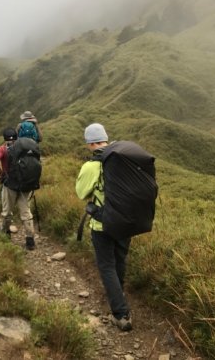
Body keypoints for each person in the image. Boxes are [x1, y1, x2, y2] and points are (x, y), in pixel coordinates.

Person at [75, 123, 133, 331]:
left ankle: (121, 314)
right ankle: (120, 296)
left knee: (107, 266)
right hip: (126, 222)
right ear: (106, 139)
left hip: (102, 224)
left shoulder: (92, 166)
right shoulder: (124, 160)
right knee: (120, 260)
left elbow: (81, 193)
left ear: (90, 143)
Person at [0, 127, 36, 250]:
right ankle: (30, 240)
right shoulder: (26, 147)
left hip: (10, 184)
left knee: (7, 211)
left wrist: (0, 172)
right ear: (17, 137)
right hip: (26, 185)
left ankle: (5, 234)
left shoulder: (4, 148)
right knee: (26, 212)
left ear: (4, 138)